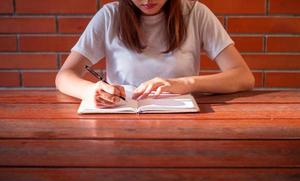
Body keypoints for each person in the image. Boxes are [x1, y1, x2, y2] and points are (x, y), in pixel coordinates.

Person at [56, 0, 255, 107]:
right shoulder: (110, 15)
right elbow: (64, 76)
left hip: (184, 120)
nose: (147, 0)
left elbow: (243, 76)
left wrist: (185, 83)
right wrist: (89, 91)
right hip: (120, 118)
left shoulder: (195, 12)